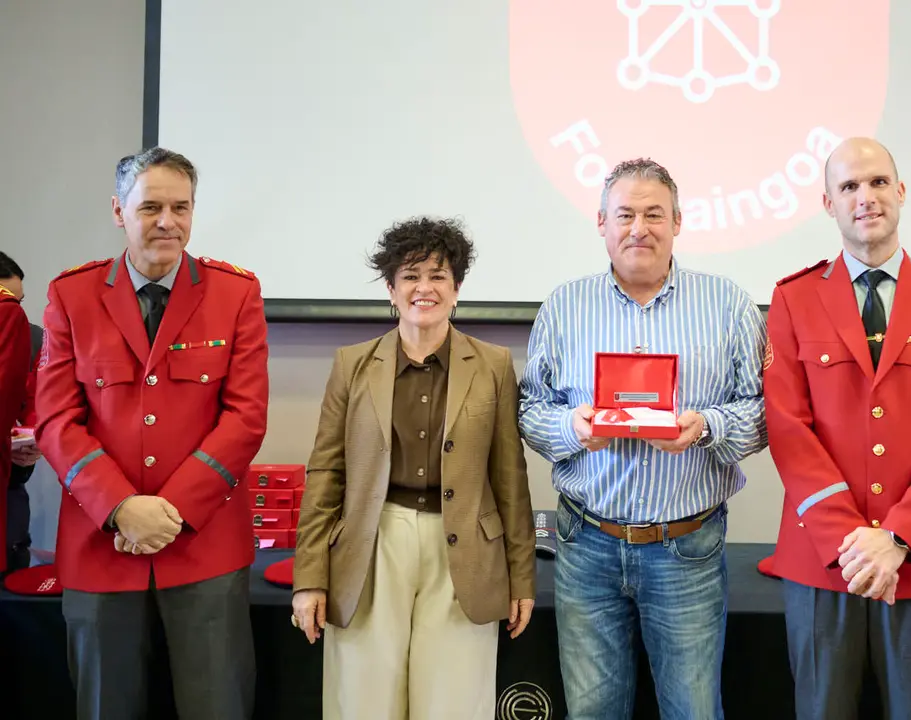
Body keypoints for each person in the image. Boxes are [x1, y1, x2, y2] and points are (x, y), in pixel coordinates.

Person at [518, 157, 768, 719]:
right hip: (586, 543)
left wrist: (705, 427)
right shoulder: (564, 305)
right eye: (625, 214)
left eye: (654, 214)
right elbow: (530, 410)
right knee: (592, 713)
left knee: (693, 711)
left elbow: (762, 413)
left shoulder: (727, 304)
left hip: (686, 547)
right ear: (601, 223)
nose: (639, 228)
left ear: (678, 222)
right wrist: (572, 429)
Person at [34, 148, 268, 719]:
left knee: (218, 706)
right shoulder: (72, 296)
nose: (169, 221)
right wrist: (121, 508)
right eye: (152, 207)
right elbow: (56, 420)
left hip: (203, 543)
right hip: (100, 544)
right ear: (119, 211)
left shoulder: (235, 293)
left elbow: (245, 416)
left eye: (181, 207)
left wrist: (170, 511)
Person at [762, 137, 911, 720]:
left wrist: (896, 538)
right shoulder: (793, 299)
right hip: (822, 557)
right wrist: (855, 542)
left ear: (902, 192)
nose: (866, 197)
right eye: (849, 186)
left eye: (878, 182)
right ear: (828, 204)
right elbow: (789, 428)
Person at [291, 216, 536, 720]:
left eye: (438, 276)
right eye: (410, 276)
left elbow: (510, 478)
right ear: (391, 288)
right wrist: (309, 577)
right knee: (363, 700)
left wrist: (522, 578)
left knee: (453, 703)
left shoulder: (492, 365)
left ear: (457, 288)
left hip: (466, 548)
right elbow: (325, 476)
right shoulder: (352, 364)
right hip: (373, 543)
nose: (424, 287)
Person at [0, 252, 42, 572]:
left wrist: (32, 439)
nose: (15, 310)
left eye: (19, 301)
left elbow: (38, 400)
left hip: (13, 482)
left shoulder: (34, 336)